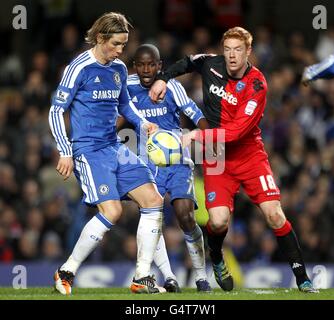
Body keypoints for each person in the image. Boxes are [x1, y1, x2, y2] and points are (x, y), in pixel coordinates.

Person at [149, 26, 318, 293]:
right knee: (216, 222)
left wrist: (196, 136)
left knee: (274, 214)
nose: (231, 55)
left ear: (248, 51)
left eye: (238, 50)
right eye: (227, 49)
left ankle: (302, 278)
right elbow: (189, 62)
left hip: (249, 155)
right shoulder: (211, 64)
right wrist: (163, 78)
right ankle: (216, 257)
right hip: (217, 157)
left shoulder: (257, 84)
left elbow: (238, 131)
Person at [49, 12, 166, 295]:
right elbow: (56, 111)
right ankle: (66, 271)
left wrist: (142, 122)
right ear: (101, 38)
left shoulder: (119, 69)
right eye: (116, 44)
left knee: (153, 199)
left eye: (123, 45)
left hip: (114, 146)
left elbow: (125, 106)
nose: (120, 51)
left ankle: (142, 278)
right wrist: (65, 151)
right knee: (112, 212)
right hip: (88, 151)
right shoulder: (79, 68)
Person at [119, 44, 212, 292]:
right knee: (153, 218)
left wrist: (202, 132)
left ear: (160, 66)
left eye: (152, 64)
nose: (147, 69)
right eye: (141, 64)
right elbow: (114, 117)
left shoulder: (172, 86)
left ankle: (201, 277)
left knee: (185, 215)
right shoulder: (126, 87)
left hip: (177, 160)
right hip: (147, 164)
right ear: (135, 66)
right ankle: (170, 277)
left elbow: (194, 113)